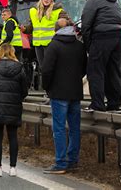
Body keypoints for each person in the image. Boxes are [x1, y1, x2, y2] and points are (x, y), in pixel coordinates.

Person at [42, 19, 87, 174]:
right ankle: (72, 160)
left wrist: (48, 88)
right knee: (75, 128)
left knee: (59, 128)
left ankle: (60, 163)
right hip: (75, 92)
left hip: (58, 92)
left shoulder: (53, 46)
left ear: (56, 29)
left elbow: (46, 70)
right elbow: (84, 68)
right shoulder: (79, 46)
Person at [0, 43, 28, 177]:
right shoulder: (19, 68)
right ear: (12, 53)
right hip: (13, 106)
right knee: (12, 136)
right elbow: (24, 90)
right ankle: (13, 167)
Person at [81, 0, 121, 112]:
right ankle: (115, 104)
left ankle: (97, 104)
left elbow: (86, 26)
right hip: (119, 36)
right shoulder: (114, 1)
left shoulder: (92, 1)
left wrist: (88, 47)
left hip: (102, 37)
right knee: (113, 70)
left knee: (95, 70)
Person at [22, 0, 68, 83]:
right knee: (43, 68)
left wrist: (63, 23)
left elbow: (67, 23)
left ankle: (53, 88)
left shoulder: (58, 11)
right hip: (38, 44)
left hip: (51, 44)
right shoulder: (33, 11)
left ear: (52, 0)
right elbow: (32, 27)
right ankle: (47, 89)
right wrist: (25, 29)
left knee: (50, 67)